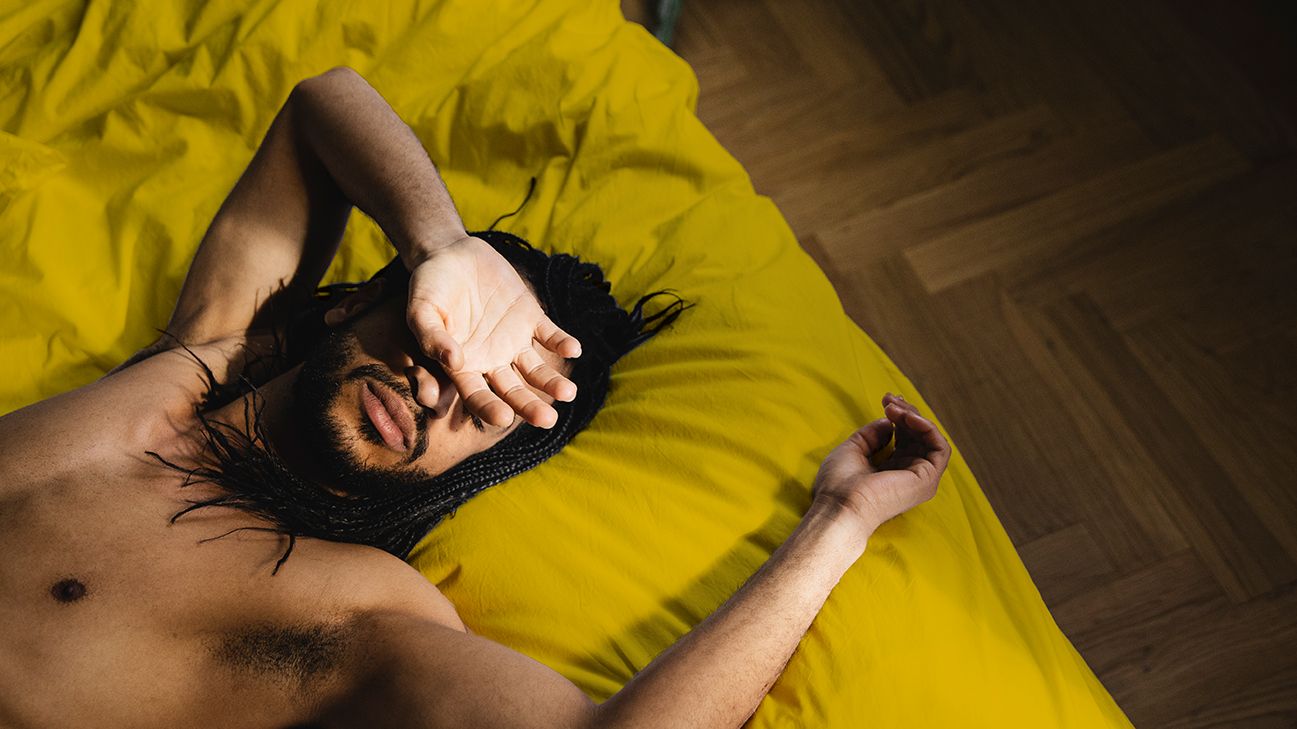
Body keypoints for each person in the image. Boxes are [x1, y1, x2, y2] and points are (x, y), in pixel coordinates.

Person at [0, 67, 951, 728]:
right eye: (441, 338)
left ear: (482, 461)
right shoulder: (202, 356)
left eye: (485, 399)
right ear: (376, 304)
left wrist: (838, 519)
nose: (433, 386)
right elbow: (321, 106)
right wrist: (443, 247)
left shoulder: (345, 609)